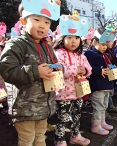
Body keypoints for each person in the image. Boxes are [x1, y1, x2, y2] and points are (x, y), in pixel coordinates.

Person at [0, 1, 61, 146]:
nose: (42, 25)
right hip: (24, 107)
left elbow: (57, 64)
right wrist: (35, 71)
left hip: (43, 105)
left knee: (40, 137)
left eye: (47, 22)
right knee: (27, 140)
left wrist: (59, 69)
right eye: (37, 20)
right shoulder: (16, 44)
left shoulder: (47, 46)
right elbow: (7, 69)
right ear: (23, 21)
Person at [53, 35, 92, 146]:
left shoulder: (81, 55)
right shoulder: (59, 53)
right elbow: (58, 69)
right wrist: (76, 70)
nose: (73, 41)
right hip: (63, 93)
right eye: (69, 37)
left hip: (78, 92)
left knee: (77, 115)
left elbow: (89, 68)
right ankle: (59, 139)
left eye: (76, 38)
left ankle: (75, 135)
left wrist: (85, 70)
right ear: (62, 39)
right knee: (63, 118)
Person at [84, 27, 115, 135]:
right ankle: (95, 125)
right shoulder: (89, 54)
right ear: (94, 41)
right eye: (102, 44)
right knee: (98, 106)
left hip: (106, 84)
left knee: (104, 105)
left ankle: (102, 122)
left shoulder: (105, 54)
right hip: (97, 86)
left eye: (106, 45)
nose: (104, 47)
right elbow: (86, 68)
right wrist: (98, 70)